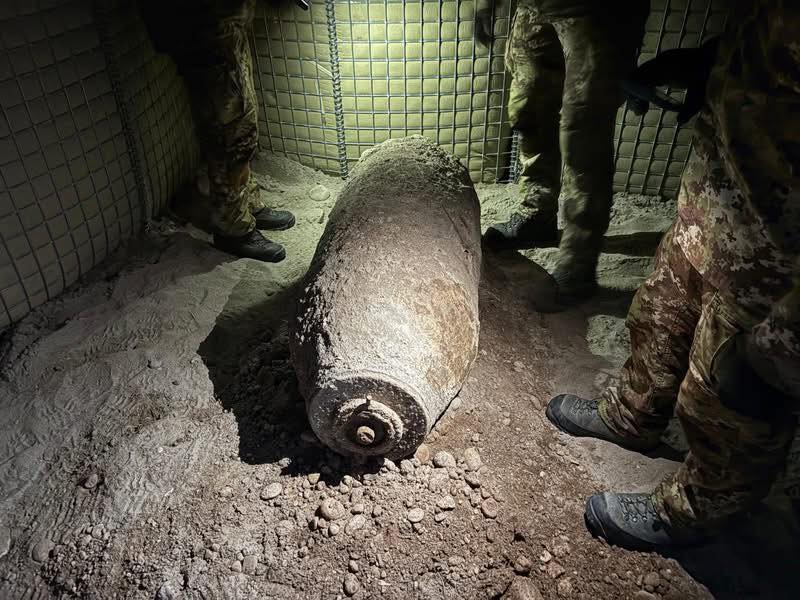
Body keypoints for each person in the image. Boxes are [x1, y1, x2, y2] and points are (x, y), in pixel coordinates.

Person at [545, 0, 800, 550]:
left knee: (730, 391)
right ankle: (631, 414)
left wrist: (786, 340)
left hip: (776, 261)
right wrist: (711, 61)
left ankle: (700, 511)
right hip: (717, 201)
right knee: (660, 314)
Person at [476, 0, 649, 300]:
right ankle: (537, 212)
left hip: (596, 12)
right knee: (529, 109)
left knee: (584, 130)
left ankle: (578, 260)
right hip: (535, 6)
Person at [141, 0, 298, 263]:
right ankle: (233, 227)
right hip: (204, 23)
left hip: (224, 21)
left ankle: (246, 205)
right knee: (231, 130)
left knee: (243, 120)